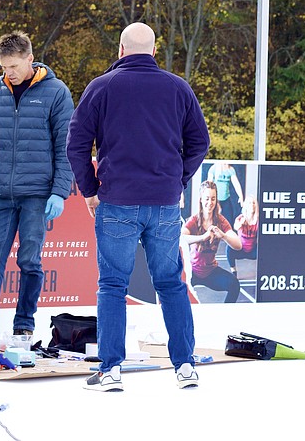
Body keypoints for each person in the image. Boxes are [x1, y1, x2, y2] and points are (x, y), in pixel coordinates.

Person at [66, 22, 211, 392]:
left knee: (112, 285)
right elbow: (200, 141)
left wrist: (90, 190)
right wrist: (177, 179)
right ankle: (185, 367)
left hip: (117, 202)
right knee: (171, 284)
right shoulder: (178, 88)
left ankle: (111, 370)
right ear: (153, 51)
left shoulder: (101, 87)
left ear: (120, 49)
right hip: (163, 204)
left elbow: (76, 144)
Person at [0, 31, 75, 345]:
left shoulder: (56, 92)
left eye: (13, 65)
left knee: (30, 261)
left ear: (29, 59)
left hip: (37, 194)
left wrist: (59, 191)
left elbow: (65, 146)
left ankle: (24, 324)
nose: (8, 72)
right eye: (4, 67)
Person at [182, 182, 242, 302]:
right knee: (176, 289)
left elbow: (238, 245)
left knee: (234, 284)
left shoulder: (220, 221)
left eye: (213, 199)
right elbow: (181, 238)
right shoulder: (194, 220)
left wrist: (224, 236)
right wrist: (202, 237)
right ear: (201, 200)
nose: (210, 203)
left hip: (210, 272)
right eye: (207, 199)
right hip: (192, 271)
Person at [204, 161, 244, 229]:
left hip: (226, 198)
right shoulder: (213, 169)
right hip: (215, 199)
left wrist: (241, 196)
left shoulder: (230, 170)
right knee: (214, 217)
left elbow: (236, 183)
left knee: (229, 217)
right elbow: (209, 185)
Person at [227, 196, 260, 270]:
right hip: (240, 249)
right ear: (246, 206)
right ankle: (233, 271)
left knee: (264, 249)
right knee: (229, 248)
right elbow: (236, 227)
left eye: (253, 203)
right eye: (249, 203)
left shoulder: (258, 220)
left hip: (253, 251)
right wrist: (241, 223)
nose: (252, 205)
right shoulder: (240, 218)